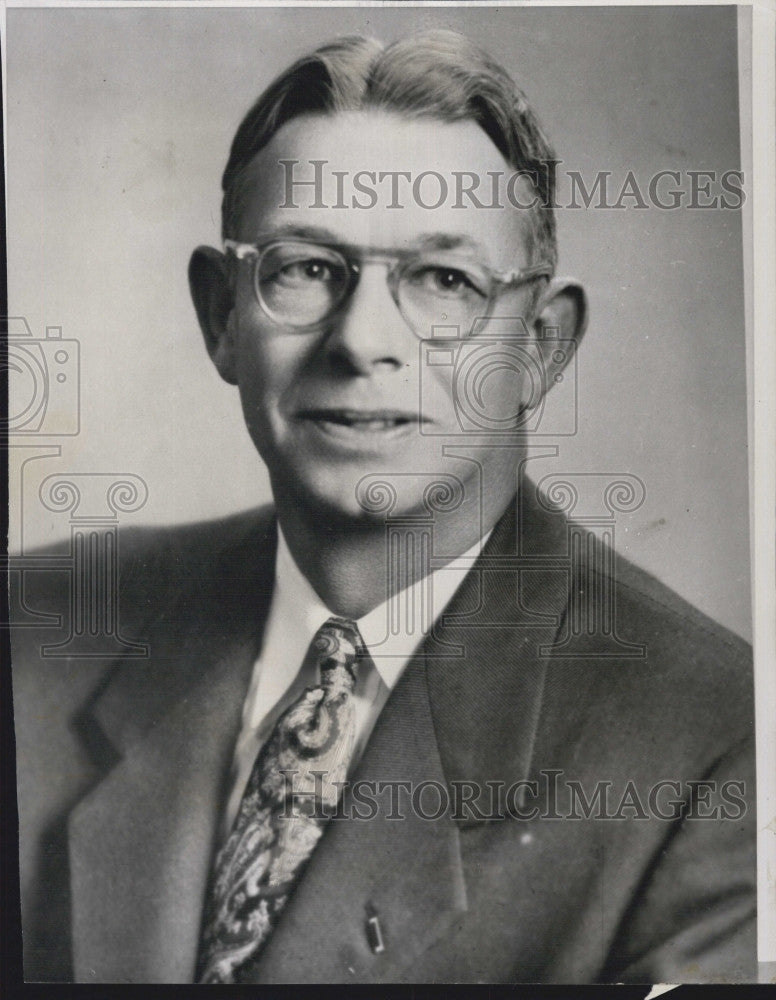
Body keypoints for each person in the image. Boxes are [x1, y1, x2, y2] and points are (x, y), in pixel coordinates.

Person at [11, 30, 755, 984]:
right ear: (220, 315)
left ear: (541, 345)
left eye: (444, 280)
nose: (363, 341)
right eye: (306, 268)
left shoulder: (724, 750)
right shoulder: (30, 635)